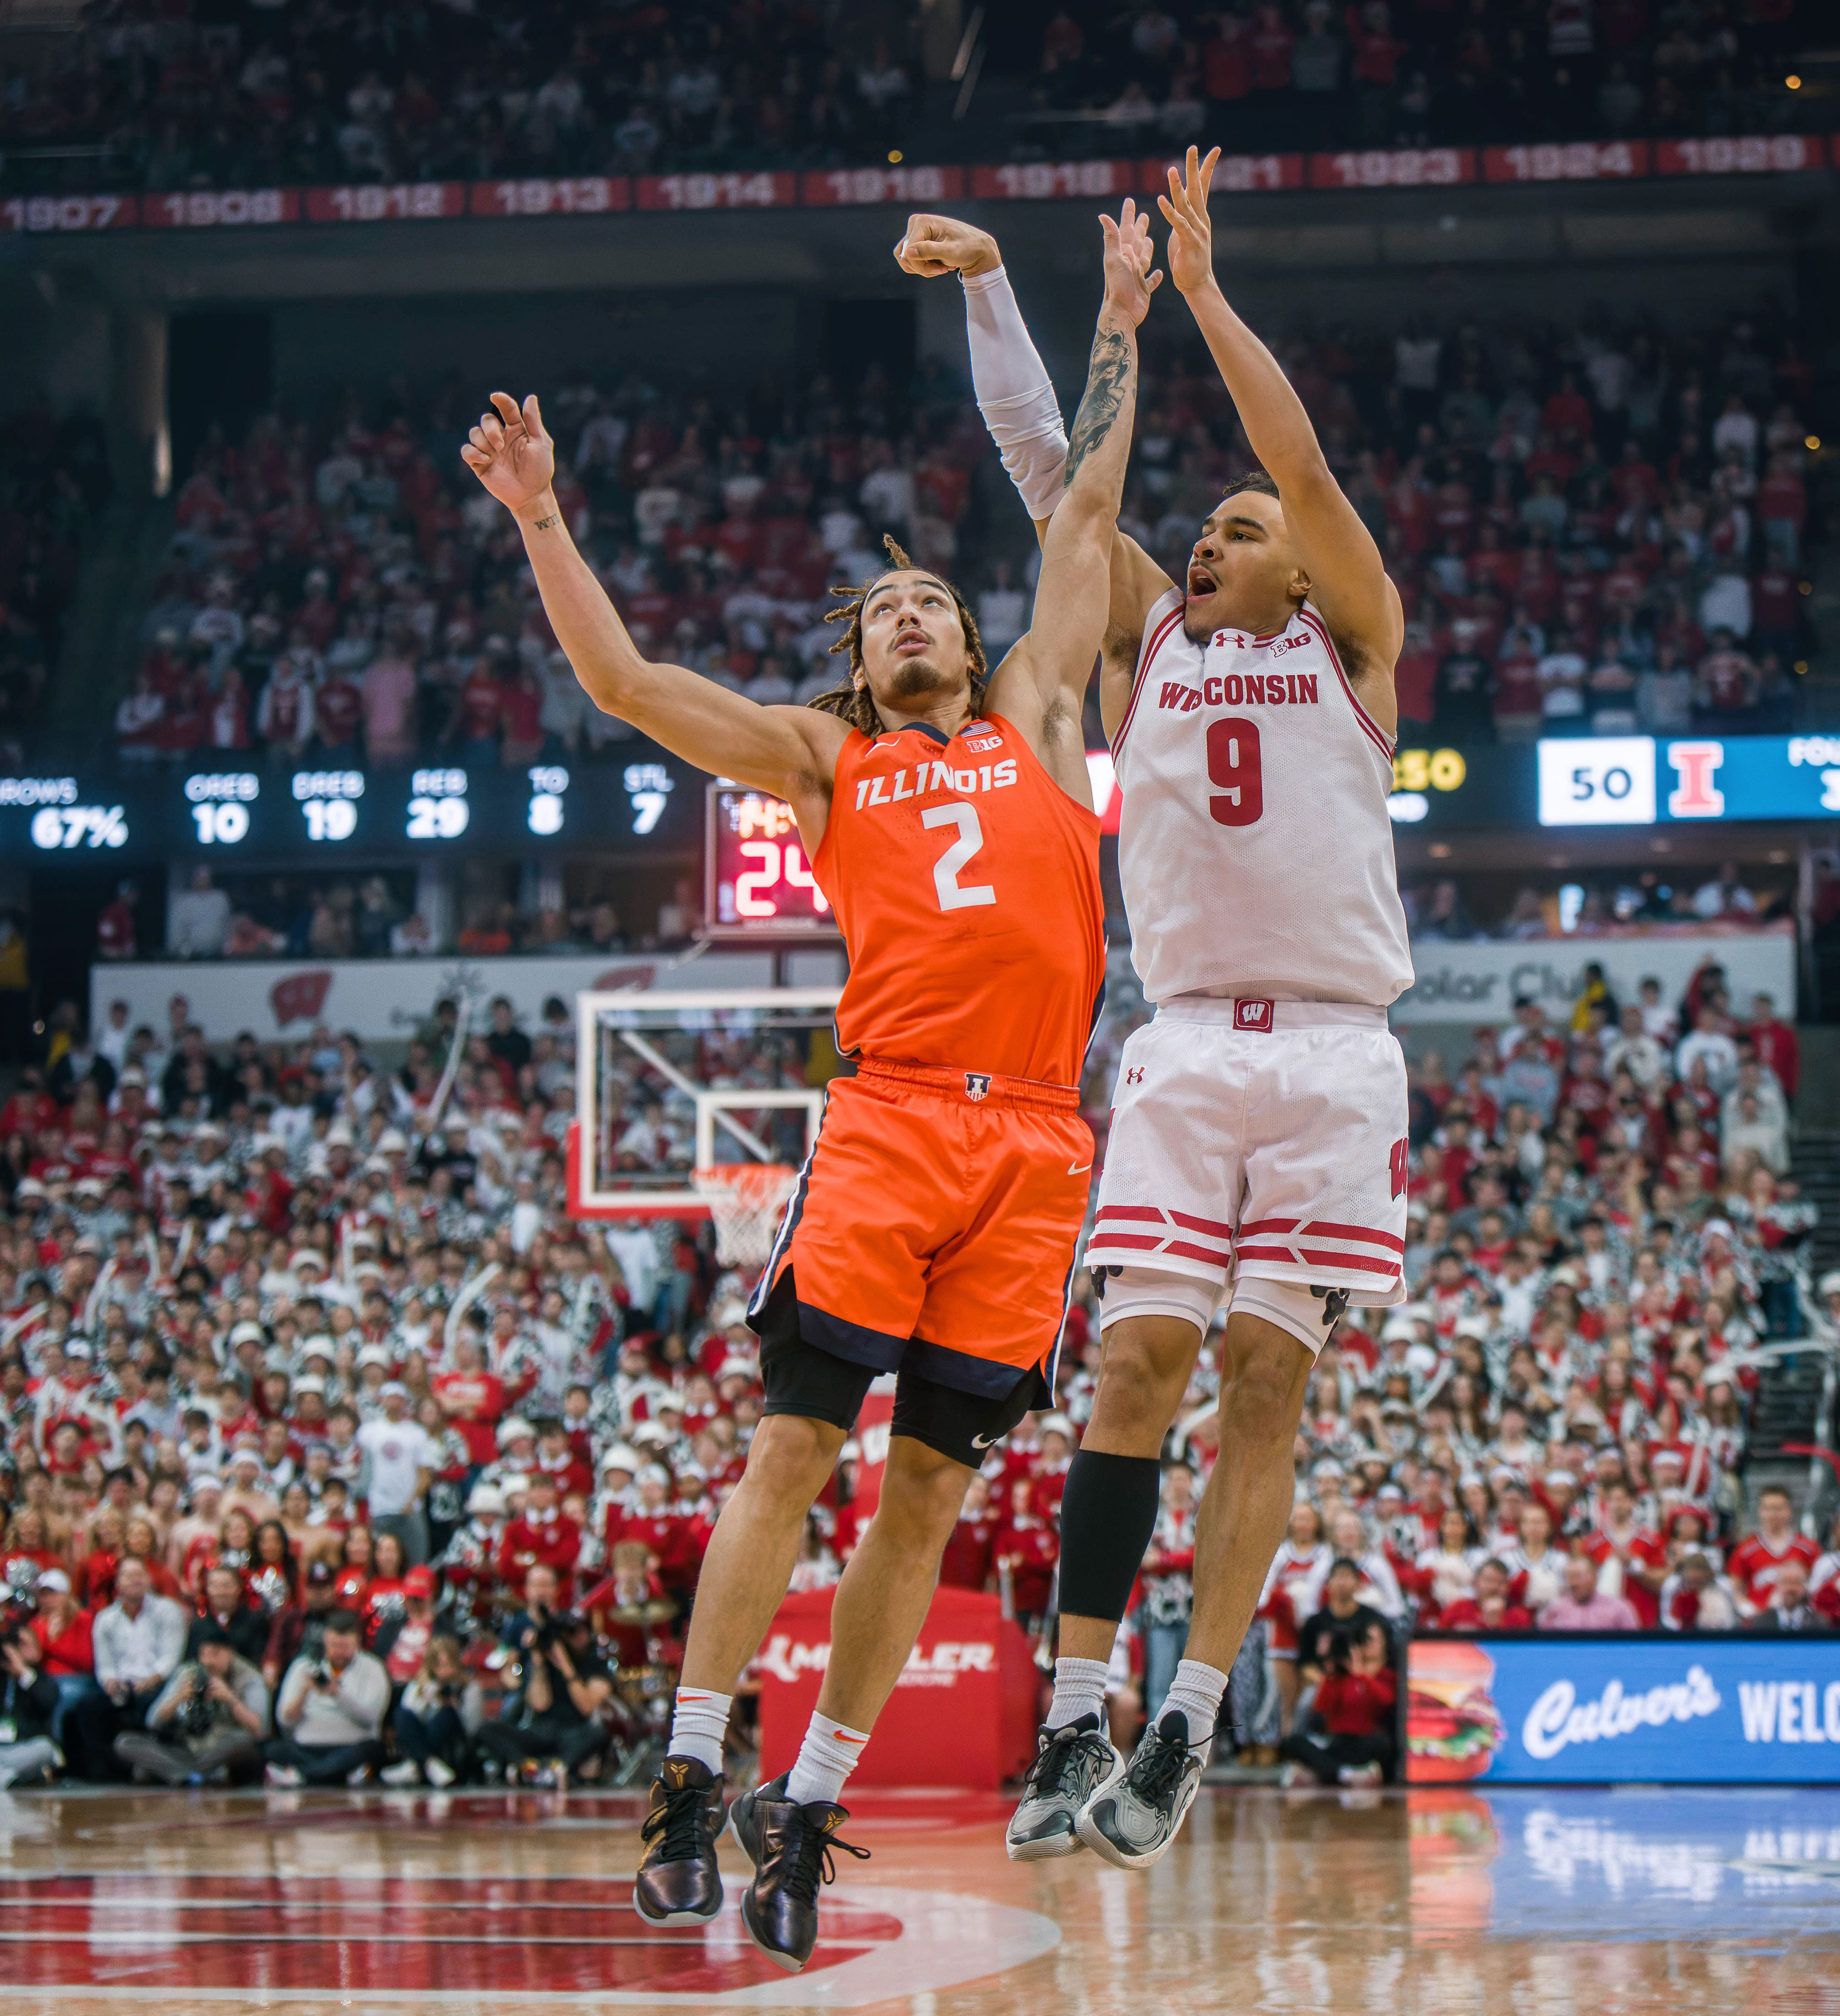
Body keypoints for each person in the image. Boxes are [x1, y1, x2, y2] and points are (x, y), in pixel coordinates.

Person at [461, 199, 1153, 1972]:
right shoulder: (826, 757)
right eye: (893, 606)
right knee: (793, 1444)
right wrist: (544, 514)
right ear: (864, 660)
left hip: (1039, 1144)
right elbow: (620, 681)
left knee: (928, 1492)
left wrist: (1123, 314)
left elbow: (1081, 509)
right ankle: (697, 1769)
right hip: (896, 1115)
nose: (921, 605)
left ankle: (811, 1797)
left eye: (937, 591)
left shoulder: (1037, 719)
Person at [903, 146, 1416, 1871]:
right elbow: (1052, 469)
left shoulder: (1352, 635)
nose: (1210, 533)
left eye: (1236, 530)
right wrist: (1010, 286)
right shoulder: (1154, 639)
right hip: (1188, 1034)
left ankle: (1188, 1715)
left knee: (1265, 1381)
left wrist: (1198, 291)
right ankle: (1075, 1707)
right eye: (1199, 528)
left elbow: (1299, 462)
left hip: (1339, 1046)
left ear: (1301, 574)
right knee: (1132, 1360)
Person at [112, 1624, 269, 1786]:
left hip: (224, 1750)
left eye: (215, 1654)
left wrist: (231, 1699)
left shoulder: (251, 1678)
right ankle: (195, 1775)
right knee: (125, 1742)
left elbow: (259, 1731)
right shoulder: (188, 1673)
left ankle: (180, 1774)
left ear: (230, 1653)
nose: (208, 1662)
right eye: (204, 1655)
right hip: (188, 1749)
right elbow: (153, 1722)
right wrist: (178, 1698)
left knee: (242, 1741)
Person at [475, 1607, 613, 1786]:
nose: (577, 1637)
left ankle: (551, 1769)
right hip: (540, 1731)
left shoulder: (595, 1664)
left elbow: (586, 1707)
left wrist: (566, 1666)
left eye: (581, 1631)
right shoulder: (545, 1662)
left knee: (599, 1734)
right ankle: (533, 1768)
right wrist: (539, 1664)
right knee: (487, 1728)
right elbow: (540, 1704)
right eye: (570, 1633)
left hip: (574, 1732)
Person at [265, 1609, 391, 1786]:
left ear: (357, 1642)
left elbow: (372, 1718)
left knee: (371, 1751)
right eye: (334, 1646)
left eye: (345, 1647)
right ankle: (333, 1774)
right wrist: (304, 1693)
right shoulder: (303, 1666)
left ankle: (303, 1774)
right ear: (325, 1641)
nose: (339, 1653)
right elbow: (285, 1720)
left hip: (352, 1746)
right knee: (269, 1748)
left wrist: (338, 1694)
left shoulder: (373, 1668)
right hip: (307, 1746)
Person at [1278, 1616, 1396, 1786]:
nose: (1367, 1645)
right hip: (1337, 1743)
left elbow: (1387, 1700)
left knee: (1382, 1742)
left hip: (1365, 1742)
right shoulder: (1339, 1678)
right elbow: (1321, 1706)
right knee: (1294, 1743)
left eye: (1372, 1639)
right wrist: (1331, 1672)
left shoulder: (1386, 1675)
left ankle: (1326, 1773)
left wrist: (1361, 1676)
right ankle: (1345, 1774)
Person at [91, 1557, 188, 1741]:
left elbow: (171, 1657)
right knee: (89, 1709)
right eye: (128, 1576)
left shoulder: (168, 1611)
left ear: (149, 1580)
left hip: (159, 1683)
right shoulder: (105, 1619)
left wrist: (152, 1679)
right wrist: (110, 1681)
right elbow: (105, 1665)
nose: (135, 1581)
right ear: (118, 1583)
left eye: (140, 1575)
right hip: (122, 1686)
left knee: (148, 1705)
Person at [386, 1631, 485, 1787]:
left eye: (448, 1665)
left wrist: (451, 1703)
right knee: (401, 1714)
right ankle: (429, 1764)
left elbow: (472, 1727)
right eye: (439, 1666)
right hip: (423, 1734)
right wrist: (426, 1700)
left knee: (447, 1714)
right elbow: (408, 1719)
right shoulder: (419, 1684)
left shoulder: (469, 1687)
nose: (444, 1671)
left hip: (452, 1739)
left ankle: (418, 1766)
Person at [356, 1381, 433, 1567]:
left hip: (410, 1509)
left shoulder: (417, 1433)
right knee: (378, 1564)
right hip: (380, 1507)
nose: (394, 1403)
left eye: (398, 1399)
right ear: (382, 1401)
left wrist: (412, 1499)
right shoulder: (369, 1432)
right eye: (390, 1398)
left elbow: (424, 1473)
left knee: (416, 1562)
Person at [0, 1617, 63, 1789]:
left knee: (45, 1749)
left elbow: (48, 1701)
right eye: (18, 1644)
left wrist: (22, 1672)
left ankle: (7, 1777)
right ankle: (11, 1778)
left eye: (25, 1643)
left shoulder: (39, 1678)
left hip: (24, 1747)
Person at [1537, 1552, 1642, 1629]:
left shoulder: (1619, 1609)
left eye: (1577, 1576)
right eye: (1569, 1577)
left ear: (1594, 1578)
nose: (1573, 1583)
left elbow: (1634, 1646)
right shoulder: (1555, 1610)